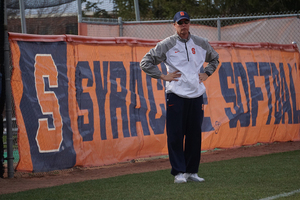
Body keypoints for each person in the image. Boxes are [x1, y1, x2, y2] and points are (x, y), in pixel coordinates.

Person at [140, 11, 219, 183]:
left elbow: (215, 58)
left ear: (190, 23)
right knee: (175, 134)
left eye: (186, 22)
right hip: (175, 94)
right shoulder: (166, 44)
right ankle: (178, 172)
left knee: (194, 134)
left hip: (196, 94)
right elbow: (145, 62)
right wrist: (163, 76)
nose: (183, 25)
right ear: (174, 25)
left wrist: (207, 72)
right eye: (180, 22)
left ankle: (191, 172)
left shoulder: (200, 43)